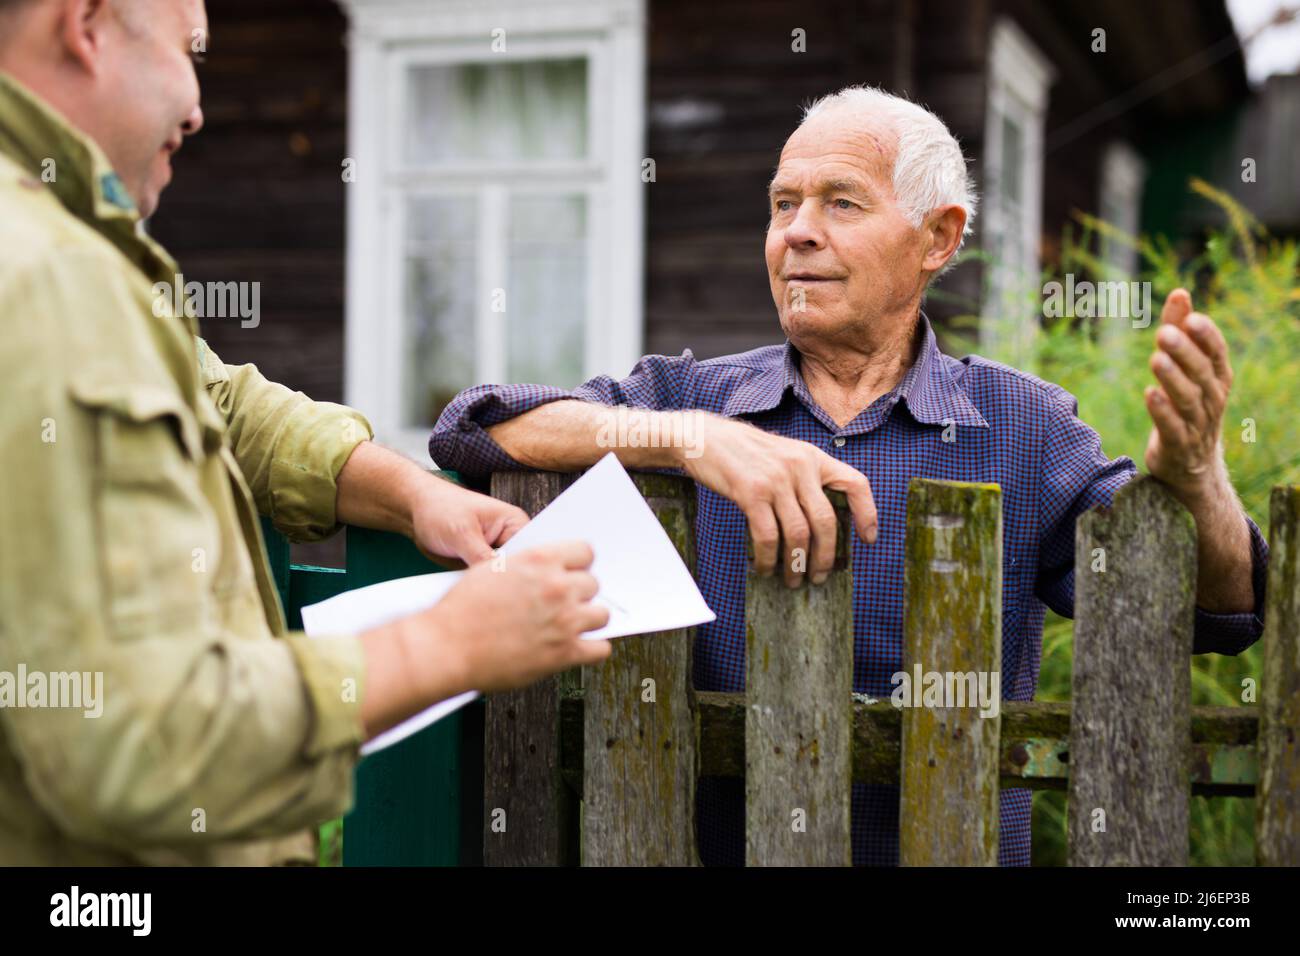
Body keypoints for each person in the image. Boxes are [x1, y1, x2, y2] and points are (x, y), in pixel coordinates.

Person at [429, 85, 1269, 866]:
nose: (797, 230)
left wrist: (1197, 479)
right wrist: (684, 438)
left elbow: (1215, 612)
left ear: (937, 237)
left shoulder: (1025, 427)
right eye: (783, 204)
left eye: (840, 202)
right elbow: (476, 426)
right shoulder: (692, 397)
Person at [0, 0, 611, 865]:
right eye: (190, 50)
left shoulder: (51, 250)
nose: (199, 105)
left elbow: (221, 402)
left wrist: (413, 496)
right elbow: (143, 738)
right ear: (88, 24)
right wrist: (451, 642)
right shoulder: (46, 279)